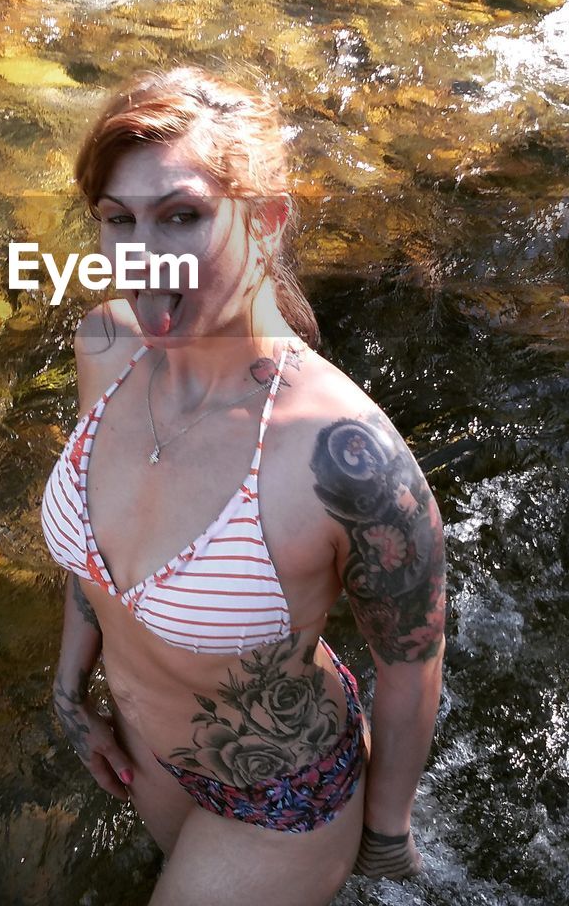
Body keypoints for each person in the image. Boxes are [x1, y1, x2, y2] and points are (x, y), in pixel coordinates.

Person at [40, 67, 446, 904]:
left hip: (279, 803)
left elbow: (409, 663)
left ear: (264, 223)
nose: (144, 259)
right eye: (119, 221)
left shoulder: (339, 456)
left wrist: (385, 836)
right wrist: (68, 688)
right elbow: (99, 562)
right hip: (147, 760)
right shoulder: (107, 347)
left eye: (181, 217)